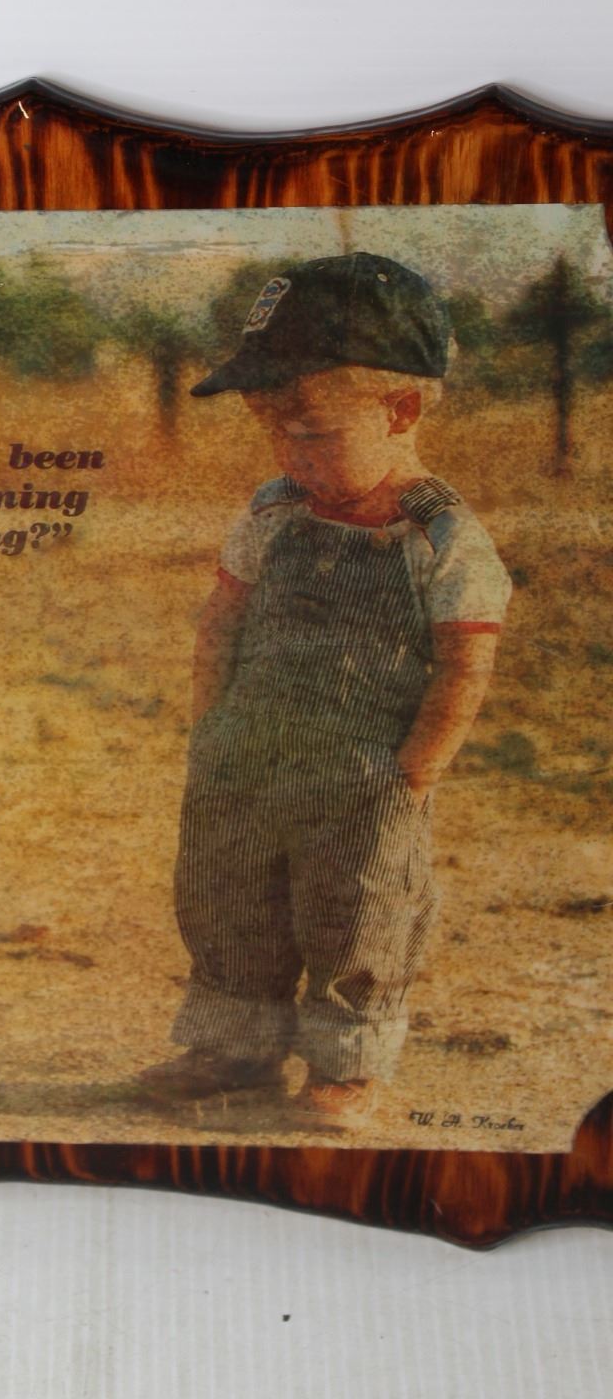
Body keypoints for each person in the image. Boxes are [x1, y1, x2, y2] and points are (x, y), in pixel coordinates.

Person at [140, 253, 513, 1124]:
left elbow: (465, 664)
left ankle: (347, 1063)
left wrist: (415, 771)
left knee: (358, 913)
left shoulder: (442, 538)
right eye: (273, 432)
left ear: (401, 411)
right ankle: (235, 1049)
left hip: (364, 776)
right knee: (228, 898)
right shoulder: (273, 513)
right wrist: (211, 728)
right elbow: (222, 622)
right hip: (246, 756)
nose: (289, 454)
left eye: (311, 433)